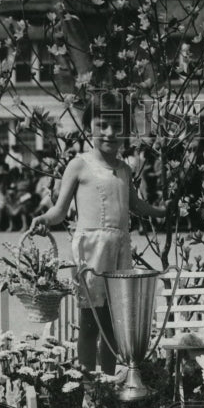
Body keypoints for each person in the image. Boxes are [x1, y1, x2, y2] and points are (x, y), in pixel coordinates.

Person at [29, 93, 166, 387]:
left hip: (119, 251)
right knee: (90, 322)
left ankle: (109, 382)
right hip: (91, 251)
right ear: (88, 126)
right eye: (102, 124)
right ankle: (88, 385)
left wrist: (162, 211)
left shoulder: (124, 168)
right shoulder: (79, 165)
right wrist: (44, 220)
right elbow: (60, 210)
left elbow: (135, 205)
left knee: (114, 324)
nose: (110, 133)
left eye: (117, 126)